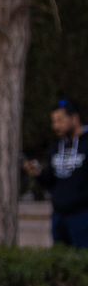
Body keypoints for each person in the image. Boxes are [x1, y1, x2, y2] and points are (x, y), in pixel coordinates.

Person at [26, 98, 88, 246]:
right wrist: (39, 174)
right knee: (60, 260)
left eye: (60, 120)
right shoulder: (56, 147)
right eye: (54, 121)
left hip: (82, 216)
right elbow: (52, 181)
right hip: (59, 217)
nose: (56, 126)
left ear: (74, 118)